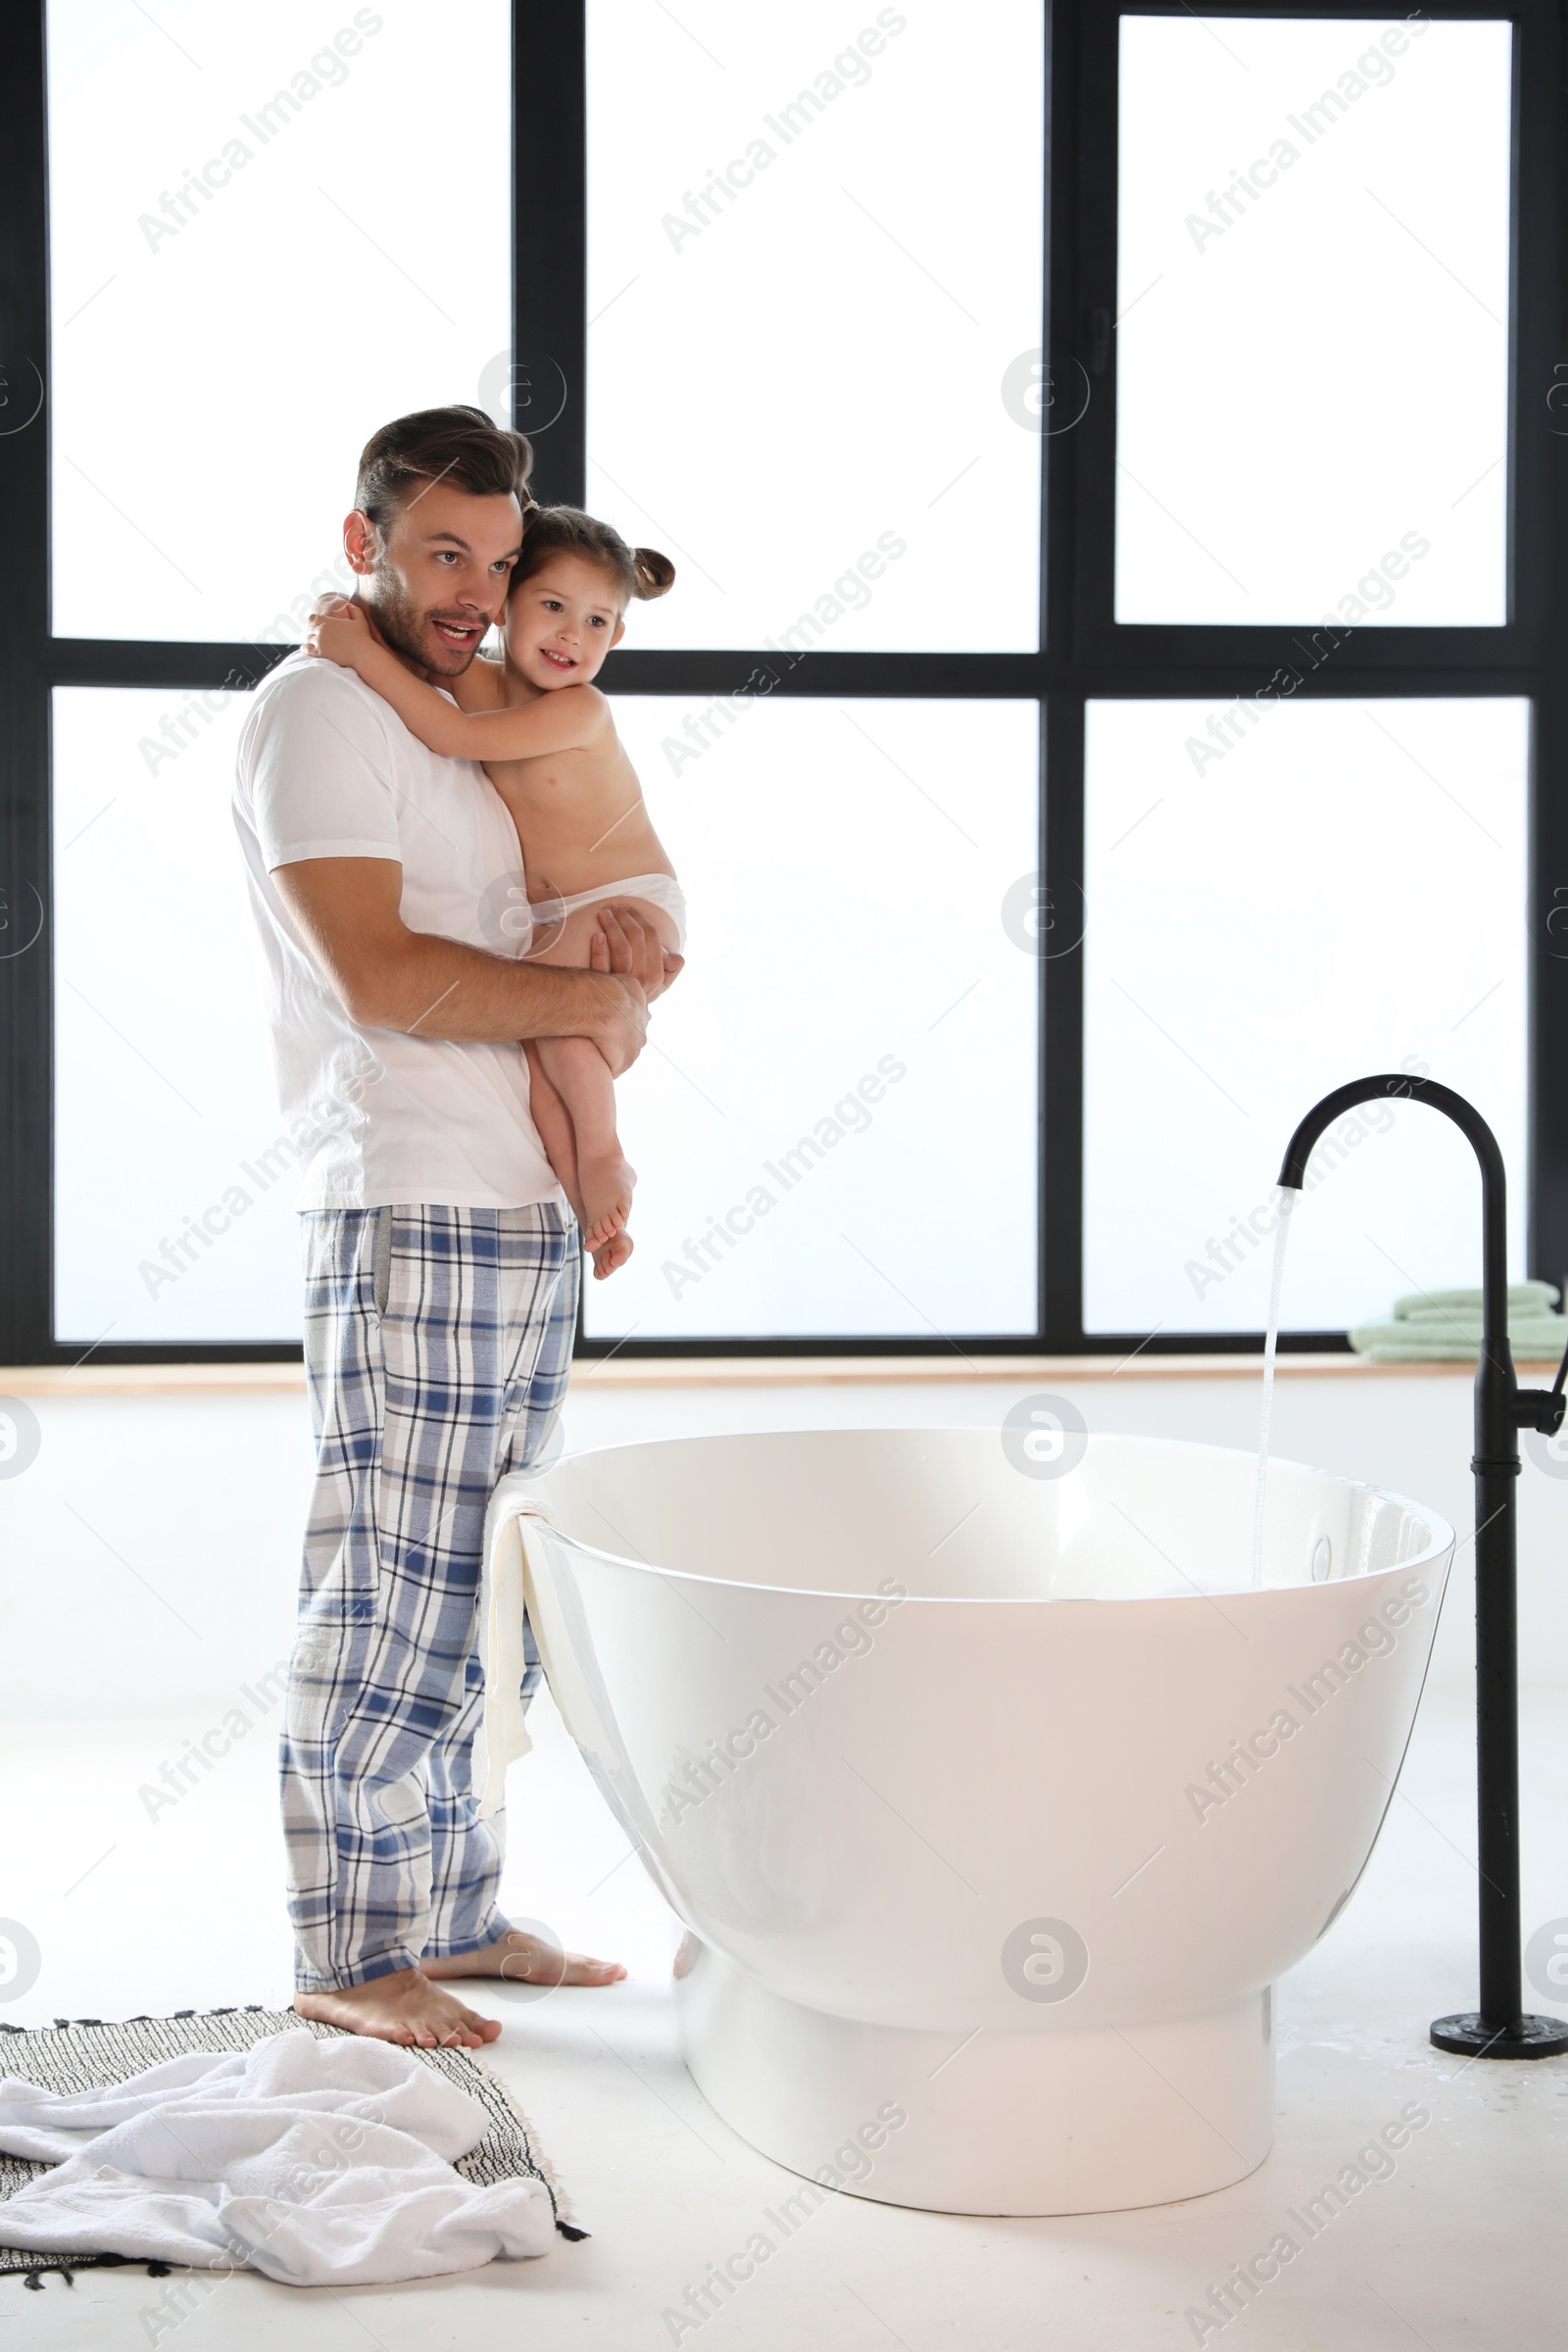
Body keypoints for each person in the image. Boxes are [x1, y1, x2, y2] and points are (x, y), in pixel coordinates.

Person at [231, 406, 681, 2048]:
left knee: (483, 1590)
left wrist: (610, 986)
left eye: (500, 566)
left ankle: (454, 1911)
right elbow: (387, 976)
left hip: (515, 1203)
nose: (480, 596)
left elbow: (555, 943)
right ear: (363, 545)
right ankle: (348, 1950)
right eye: (443, 556)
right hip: (410, 1192)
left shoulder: (458, 712)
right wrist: (590, 989)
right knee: (393, 1583)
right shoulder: (317, 717)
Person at [304, 504, 682, 1279]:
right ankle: (586, 1197)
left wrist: (354, 655)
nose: (572, 635)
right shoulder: (478, 681)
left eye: (598, 622)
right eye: (552, 607)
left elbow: (453, 737)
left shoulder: (579, 708)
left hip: (624, 898)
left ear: (617, 638)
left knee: (555, 1024)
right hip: (565, 910)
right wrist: (351, 625)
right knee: (537, 1060)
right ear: (507, 604)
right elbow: (416, 667)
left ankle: (607, 1152)